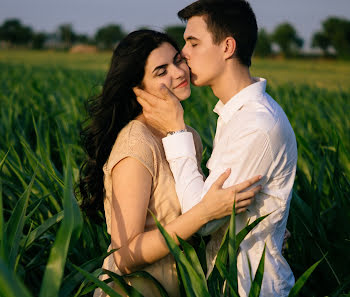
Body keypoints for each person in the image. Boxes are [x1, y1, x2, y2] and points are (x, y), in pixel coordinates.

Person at [79, 29, 262, 297]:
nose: (178, 72)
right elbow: (126, 255)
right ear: (138, 88)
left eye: (178, 60)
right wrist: (205, 213)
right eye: (160, 71)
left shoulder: (188, 137)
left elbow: (203, 206)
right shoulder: (136, 144)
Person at [134, 1, 298, 296]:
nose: (183, 53)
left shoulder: (256, 125)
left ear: (227, 47)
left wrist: (176, 129)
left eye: (193, 43)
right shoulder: (235, 116)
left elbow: (203, 220)